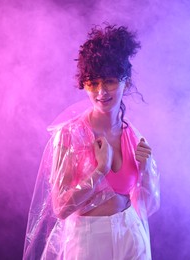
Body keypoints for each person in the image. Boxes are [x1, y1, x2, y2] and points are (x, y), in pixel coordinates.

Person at [23, 24, 160, 260]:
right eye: (92, 83)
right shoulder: (71, 135)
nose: (100, 92)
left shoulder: (132, 136)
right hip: (89, 240)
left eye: (109, 81)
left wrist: (146, 170)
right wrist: (100, 170)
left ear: (125, 82)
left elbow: (146, 205)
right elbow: (61, 208)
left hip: (130, 234)